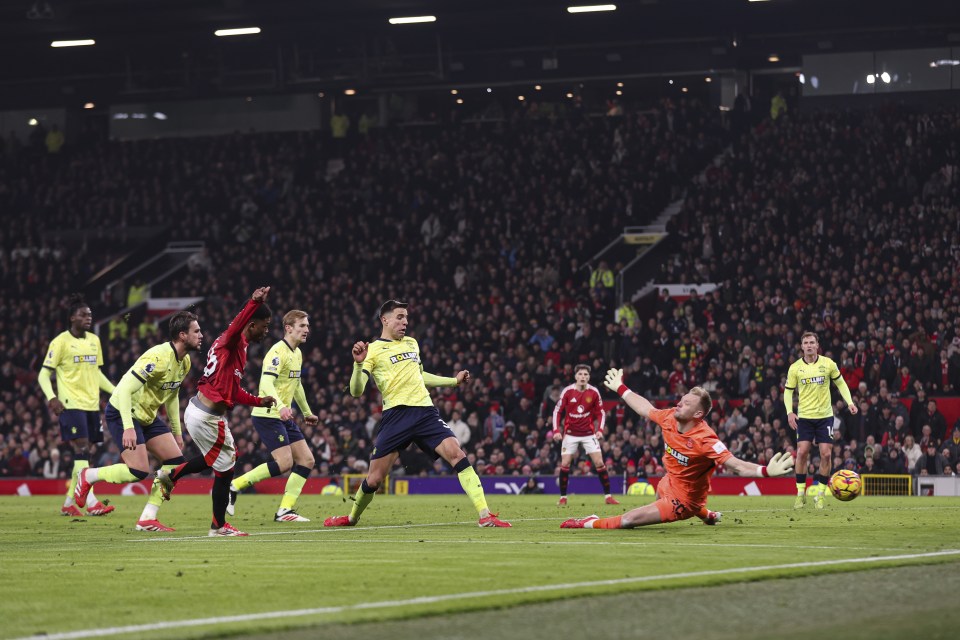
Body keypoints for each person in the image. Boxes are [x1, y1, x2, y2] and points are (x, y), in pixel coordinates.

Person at [324, 299, 510, 528]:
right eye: (400, 317)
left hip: (425, 412)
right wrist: (358, 365)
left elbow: (420, 376)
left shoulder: (412, 343)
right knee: (374, 480)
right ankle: (351, 518)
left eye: (407, 318)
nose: (405, 322)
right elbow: (356, 391)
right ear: (385, 319)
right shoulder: (371, 350)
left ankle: (485, 515)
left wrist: (453, 381)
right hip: (396, 416)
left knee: (457, 453)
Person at [560, 369, 795, 529]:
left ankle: (588, 522)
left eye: (687, 403)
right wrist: (621, 388)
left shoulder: (706, 439)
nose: (679, 403)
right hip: (668, 482)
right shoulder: (670, 417)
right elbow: (645, 408)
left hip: (683, 502)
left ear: (698, 414)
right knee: (659, 492)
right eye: (681, 399)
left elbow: (736, 466)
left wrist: (765, 471)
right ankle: (707, 514)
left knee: (628, 521)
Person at [155, 288, 277, 537]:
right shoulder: (232, 341)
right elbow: (236, 326)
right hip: (207, 417)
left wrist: (258, 401)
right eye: (264, 326)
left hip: (199, 411)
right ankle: (218, 526)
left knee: (218, 462)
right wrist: (253, 302)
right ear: (251, 324)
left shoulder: (237, 347)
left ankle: (172, 475)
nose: (266, 331)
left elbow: (233, 391)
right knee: (226, 466)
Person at [74, 310, 203, 532]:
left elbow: (172, 395)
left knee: (175, 464)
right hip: (123, 411)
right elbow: (123, 391)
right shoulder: (157, 358)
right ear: (182, 335)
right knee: (138, 471)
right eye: (196, 331)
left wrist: (177, 431)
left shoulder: (185, 362)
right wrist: (127, 428)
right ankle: (89, 475)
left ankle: (147, 518)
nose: (201, 335)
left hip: (147, 415)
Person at [228, 309, 319, 522]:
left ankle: (285, 510)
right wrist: (280, 406)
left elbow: (296, 385)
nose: (307, 330)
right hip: (268, 414)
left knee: (306, 460)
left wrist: (307, 412)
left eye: (307, 326)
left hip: (283, 415)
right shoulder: (278, 352)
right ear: (288, 328)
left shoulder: (297, 353)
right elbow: (266, 383)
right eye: (302, 326)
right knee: (285, 462)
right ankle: (235, 485)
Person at [37, 294, 116, 517]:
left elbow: (97, 374)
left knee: (84, 454)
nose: (88, 317)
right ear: (72, 317)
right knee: (82, 449)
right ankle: (91, 502)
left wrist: (115, 391)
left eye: (90, 314)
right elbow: (44, 374)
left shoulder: (94, 340)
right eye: (83, 314)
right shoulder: (60, 342)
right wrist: (52, 397)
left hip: (91, 405)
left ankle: (69, 502)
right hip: (70, 404)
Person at [784, 332, 858, 510]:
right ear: (801, 346)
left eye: (812, 342)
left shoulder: (828, 364)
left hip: (825, 416)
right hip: (805, 417)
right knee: (802, 453)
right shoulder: (795, 368)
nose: (809, 345)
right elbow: (788, 391)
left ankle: (820, 495)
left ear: (817, 345)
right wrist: (789, 412)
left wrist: (850, 402)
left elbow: (840, 383)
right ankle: (801, 494)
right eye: (805, 343)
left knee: (826, 454)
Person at [552, 364, 619, 506]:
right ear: (575, 376)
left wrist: (600, 430)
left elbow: (601, 412)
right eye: (580, 374)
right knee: (565, 464)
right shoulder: (567, 392)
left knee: (600, 463)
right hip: (570, 434)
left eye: (586, 375)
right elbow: (557, 411)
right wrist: (556, 431)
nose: (583, 377)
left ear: (589, 377)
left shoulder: (594, 392)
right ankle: (563, 498)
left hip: (588, 434)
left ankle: (608, 497)